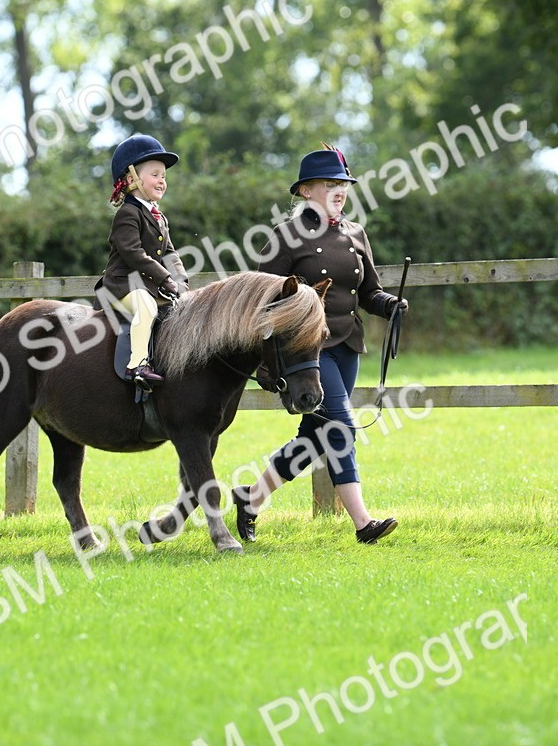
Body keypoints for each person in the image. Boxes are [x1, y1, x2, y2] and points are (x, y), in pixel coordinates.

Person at [232, 144, 407, 544]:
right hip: (308, 351)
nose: (339, 191)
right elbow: (261, 299)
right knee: (341, 428)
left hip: (347, 346)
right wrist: (263, 358)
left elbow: (368, 291)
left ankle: (251, 497)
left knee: (315, 437)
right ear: (306, 191)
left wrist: (389, 305)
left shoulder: (355, 233)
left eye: (342, 184)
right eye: (329, 184)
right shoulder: (286, 237)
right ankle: (363, 524)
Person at [94, 134, 190, 388]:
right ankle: (137, 364)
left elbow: (170, 254)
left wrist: (181, 281)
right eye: (155, 174)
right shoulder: (127, 214)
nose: (162, 181)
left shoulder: (160, 218)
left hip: (147, 286)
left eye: (164, 176)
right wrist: (166, 279)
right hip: (121, 287)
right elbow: (134, 253)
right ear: (131, 179)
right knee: (146, 306)